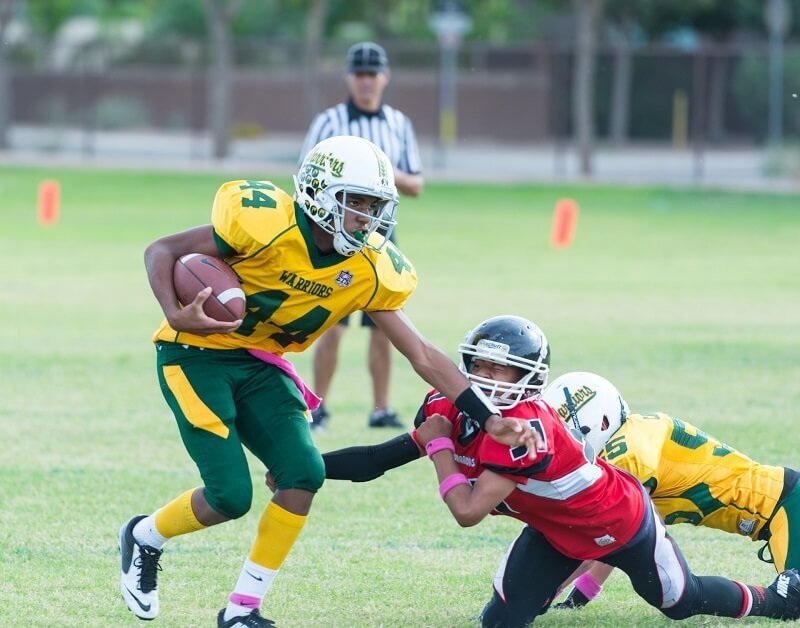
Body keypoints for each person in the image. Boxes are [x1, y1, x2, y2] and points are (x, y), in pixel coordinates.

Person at [117, 136, 537, 628]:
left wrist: (490, 418)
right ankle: (145, 535)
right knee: (231, 495)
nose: (366, 217)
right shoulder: (264, 225)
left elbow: (422, 353)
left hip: (260, 364)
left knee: (304, 473)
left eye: (374, 205)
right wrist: (176, 313)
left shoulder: (369, 268)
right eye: (355, 202)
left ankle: (241, 610)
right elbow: (161, 249)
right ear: (318, 193)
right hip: (193, 356)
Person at [311, 315, 800, 627]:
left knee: (680, 601)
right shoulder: (451, 408)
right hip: (554, 531)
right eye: (479, 365)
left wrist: (438, 444)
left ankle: (775, 601)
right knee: (499, 621)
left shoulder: (527, 430)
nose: (484, 377)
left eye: (499, 370)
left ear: (527, 379)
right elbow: (377, 460)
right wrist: (305, 467)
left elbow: (467, 511)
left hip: (623, 523)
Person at [538, 371, 800, 612]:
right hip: (779, 507)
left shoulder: (627, 454)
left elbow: (605, 536)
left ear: (597, 423)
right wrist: (578, 598)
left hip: (785, 506)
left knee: (792, 604)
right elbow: (620, 540)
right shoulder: (634, 435)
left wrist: (542, 591)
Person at [299, 41, 424, 431]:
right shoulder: (329, 122)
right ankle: (317, 406)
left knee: (384, 325)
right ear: (349, 78)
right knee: (330, 323)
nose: (366, 82)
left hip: (381, 237)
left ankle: (381, 408)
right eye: (360, 75)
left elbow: (416, 183)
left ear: (384, 77)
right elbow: (308, 172)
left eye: (373, 74)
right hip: (334, 232)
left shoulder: (398, 124)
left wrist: (377, 174)